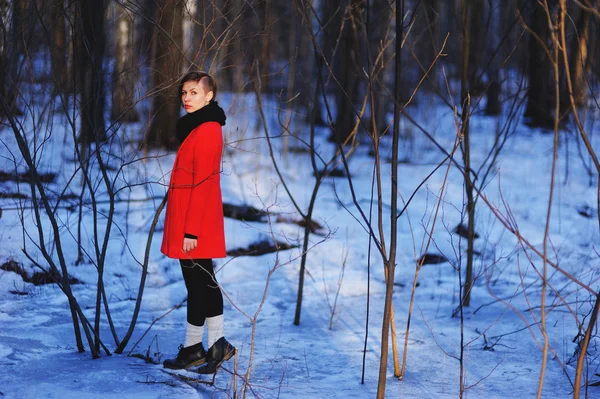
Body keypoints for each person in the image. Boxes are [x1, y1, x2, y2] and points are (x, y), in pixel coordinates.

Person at [161, 71, 235, 374]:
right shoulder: (197, 126)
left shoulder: (207, 129)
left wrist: (191, 230)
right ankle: (193, 349)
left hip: (195, 224)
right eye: (184, 93)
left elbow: (203, 183)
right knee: (196, 284)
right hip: (188, 219)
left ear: (209, 96)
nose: (187, 98)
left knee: (204, 282)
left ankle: (219, 344)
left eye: (194, 92)